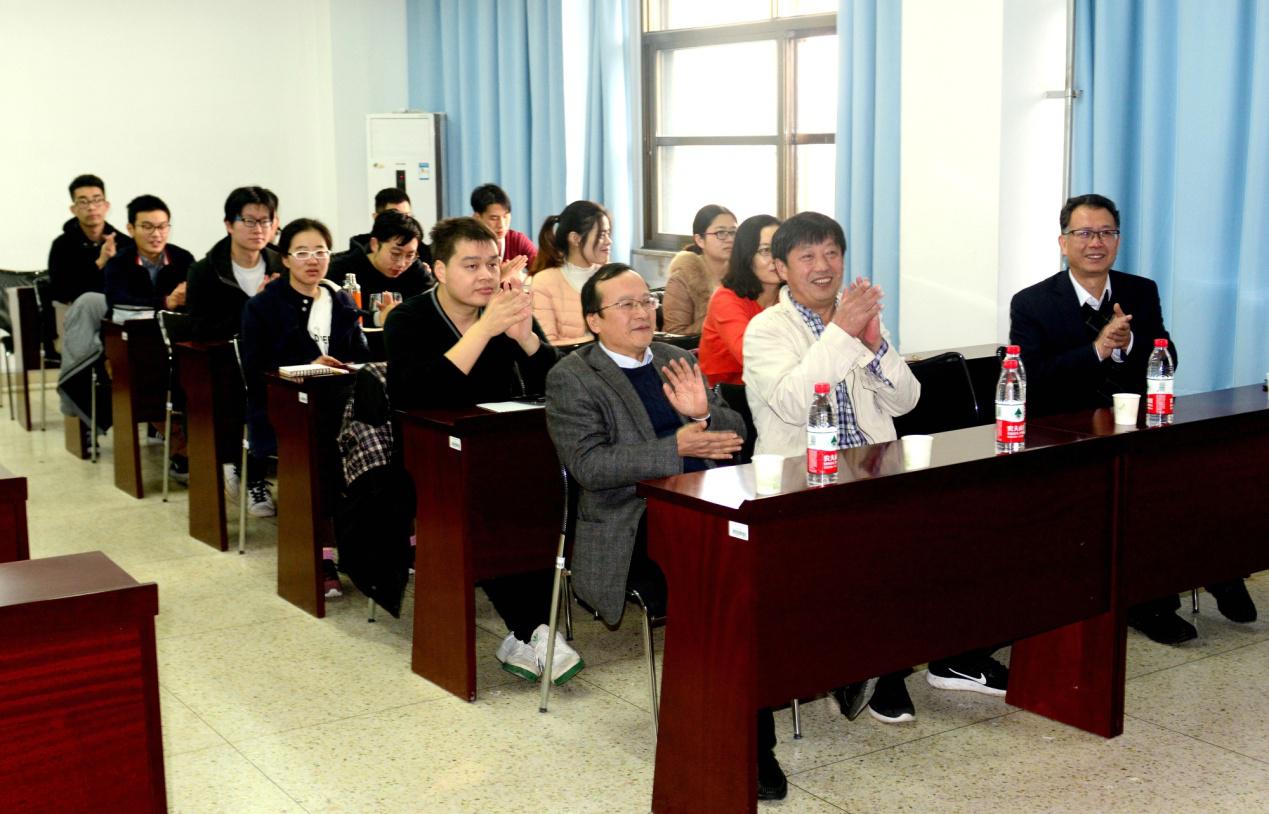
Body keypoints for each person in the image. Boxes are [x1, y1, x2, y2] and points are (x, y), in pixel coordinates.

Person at [744, 211, 1007, 723]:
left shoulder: (859, 320)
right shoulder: (765, 330)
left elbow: (907, 400)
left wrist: (875, 345)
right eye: (807, 256)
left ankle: (948, 657)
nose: (823, 266)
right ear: (781, 268)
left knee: (966, 527)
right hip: (804, 485)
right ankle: (875, 667)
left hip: (875, 474)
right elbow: (795, 404)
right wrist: (842, 333)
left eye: (832, 254)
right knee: (863, 551)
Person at [544, 264, 788, 800]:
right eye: (625, 305)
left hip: (709, 506)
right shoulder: (572, 377)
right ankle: (753, 747)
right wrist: (677, 446)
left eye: (645, 301)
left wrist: (704, 417)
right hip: (634, 523)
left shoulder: (676, 358)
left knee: (783, 560)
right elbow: (590, 467)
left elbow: (736, 435)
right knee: (731, 589)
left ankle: (837, 672)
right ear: (593, 320)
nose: (642, 312)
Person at [1009, 193, 1257, 642]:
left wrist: (1129, 345)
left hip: (1135, 429)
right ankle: (1149, 604)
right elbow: (1035, 380)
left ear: (1118, 241)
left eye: (1107, 233)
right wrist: (1098, 349)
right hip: (1067, 437)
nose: (1096, 243)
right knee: (1136, 492)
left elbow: (1167, 357)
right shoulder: (1032, 303)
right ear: (1063, 243)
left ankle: (1218, 569)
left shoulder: (1139, 290)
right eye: (1085, 233)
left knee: (1203, 469)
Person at [384, 216, 582, 684]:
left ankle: (531, 636)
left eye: (493, 264)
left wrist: (525, 338)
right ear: (439, 270)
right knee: (489, 508)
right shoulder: (407, 320)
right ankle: (536, 633)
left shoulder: (504, 310)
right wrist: (485, 328)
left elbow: (556, 384)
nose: (486, 276)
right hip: (430, 461)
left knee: (537, 500)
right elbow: (419, 396)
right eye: (471, 265)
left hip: (499, 452)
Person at [240, 218, 368, 517]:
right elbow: (255, 370)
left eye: (321, 252)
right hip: (286, 405)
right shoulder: (262, 306)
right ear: (285, 259)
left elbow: (362, 356)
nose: (313, 260)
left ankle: (358, 512)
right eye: (302, 253)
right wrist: (308, 367)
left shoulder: (341, 300)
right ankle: (329, 518)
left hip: (341, 402)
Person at [186, 186, 283, 342]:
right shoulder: (204, 272)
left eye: (265, 221)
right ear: (229, 225)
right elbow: (200, 332)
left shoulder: (283, 266)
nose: (258, 229)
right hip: (226, 354)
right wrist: (255, 305)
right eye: (249, 221)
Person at [697, 214, 782, 386]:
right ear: (747, 256)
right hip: (727, 395)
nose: (776, 259)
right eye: (766, 251)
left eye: (781, 250)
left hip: (773, 387)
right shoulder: (726, 299)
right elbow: (752, 356)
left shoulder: (790, 296)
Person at [327, 210, 432, 327]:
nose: (402, 264)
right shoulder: (341, 270)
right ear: (375, 244)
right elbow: (333, 316)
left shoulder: (416, 271)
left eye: (410, 255)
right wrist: (378, 318)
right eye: (395, 254)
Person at [528, 200, 612, 346]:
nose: (609, 241)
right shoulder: (544, 281)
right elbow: (548, 344)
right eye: (601, 235)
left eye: (608, 234)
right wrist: (603, 341)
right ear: (575, 239)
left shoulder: (612, 276)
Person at [48, 174, 135, 307]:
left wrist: (115, 262)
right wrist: (100, 262)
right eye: (83, 202)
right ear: (73, 209)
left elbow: (133, 288)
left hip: (120, 311)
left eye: (97, 200)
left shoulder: (125, 243)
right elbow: (61, 292)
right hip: (79, 311)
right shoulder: (62, 246)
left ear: (106, 206)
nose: (91, 207)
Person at [103, 194, 194, 316]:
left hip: (174, 327)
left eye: (162, 226)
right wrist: (166, 302)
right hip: (130, 327)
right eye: (147, 227)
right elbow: (118, 304)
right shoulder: (118, 263)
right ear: (131, 229)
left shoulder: (183, 259)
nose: (156, 234)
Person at [661, 204, 737, 335]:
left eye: (733, 232)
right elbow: (675, 334)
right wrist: (721, 314)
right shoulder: (682, 278)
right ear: (700, 240)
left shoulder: (744, 273)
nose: (730, 239)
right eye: (720, 233)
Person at [471, 182, 537, 280]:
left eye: (505, 216)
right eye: (494, 218)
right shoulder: (468, 245)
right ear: (477, 217)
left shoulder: (517, 240)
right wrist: (501, 277)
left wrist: (523, 277)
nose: (501, 224)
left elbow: (543, 271)